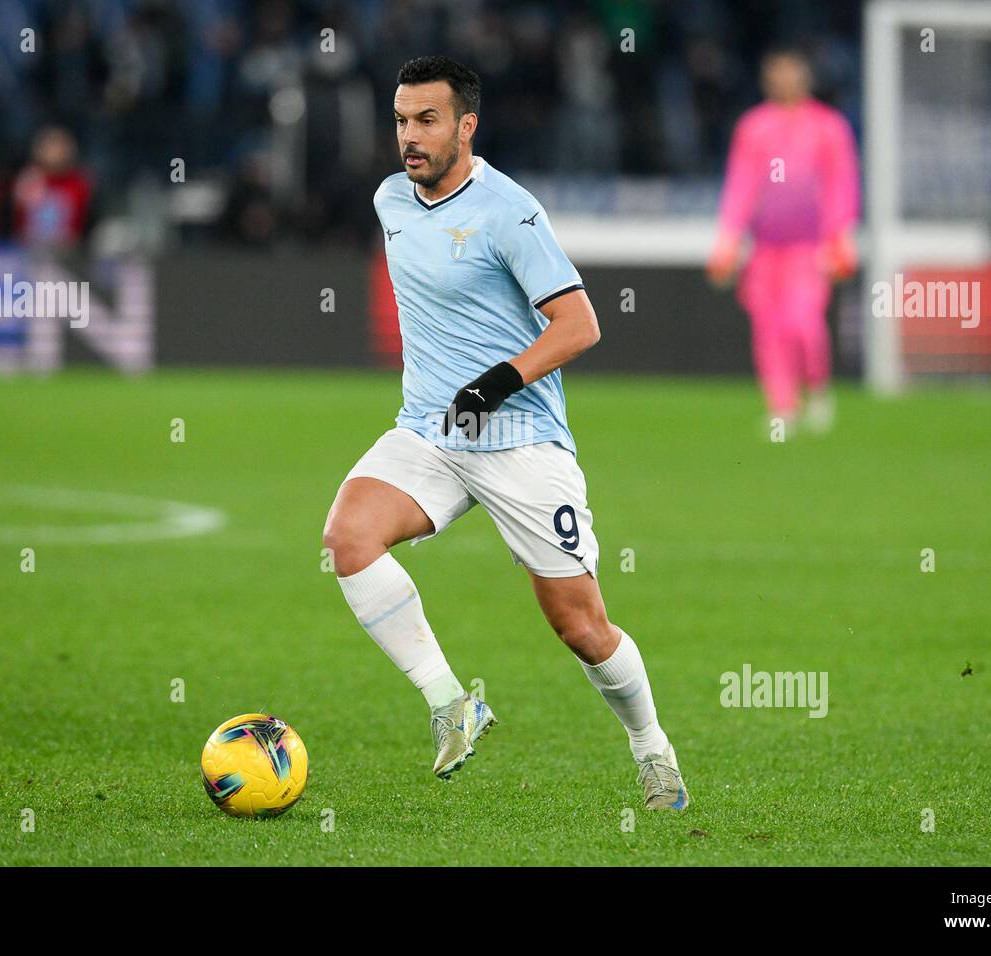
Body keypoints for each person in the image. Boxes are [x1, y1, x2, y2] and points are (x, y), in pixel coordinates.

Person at [322, 56, 686, 810]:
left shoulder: (509, 212)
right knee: (348, 538)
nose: (410, 138)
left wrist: (497, 381)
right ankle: (452, 702)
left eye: (427, 121)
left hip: (519, 437)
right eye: (400, 121)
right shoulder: (392, 200)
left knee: (581, 627)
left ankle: (652, 749)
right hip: (430, 430)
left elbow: (580, 324)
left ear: (466, 126)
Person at [709, 47, 860, 434]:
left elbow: (841, 186)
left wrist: (840, 237)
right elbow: (741, 187)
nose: (783, 81)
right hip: (765, 249)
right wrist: (728, 240)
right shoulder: (754, 127)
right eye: (776, 74)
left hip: (808, 247)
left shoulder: (828, 127)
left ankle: (818, 390)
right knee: (768, 330)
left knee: (802, 321)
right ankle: (783, 408)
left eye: (790, 73)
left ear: (805, 78)